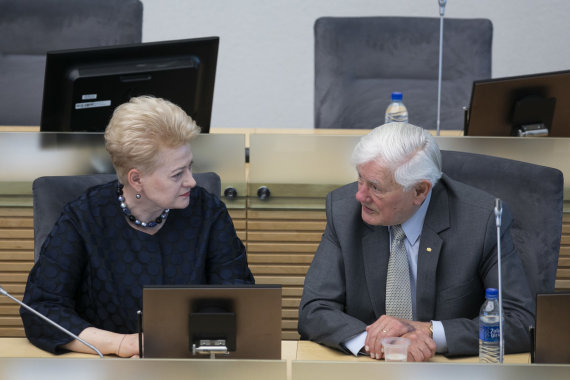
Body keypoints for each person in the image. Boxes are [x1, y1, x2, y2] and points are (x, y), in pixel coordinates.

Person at [21, 96, 254, 357]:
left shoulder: (208, 212)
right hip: (104, 368)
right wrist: (122, 345)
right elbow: (42, 311)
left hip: (190, 366)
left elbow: (238, 298)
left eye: (190, 167)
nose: (191, 181)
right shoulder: (84, 218)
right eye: (177, 174)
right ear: (136, 179)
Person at [298, 122, 534, 361]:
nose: (360, 195)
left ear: (420, 191)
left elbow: (520, 321)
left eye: (375, 187)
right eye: (360, 178)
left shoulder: (482, 220)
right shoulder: (344, 211)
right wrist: (379, 342)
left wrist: (430, 332)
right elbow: (315, 310)